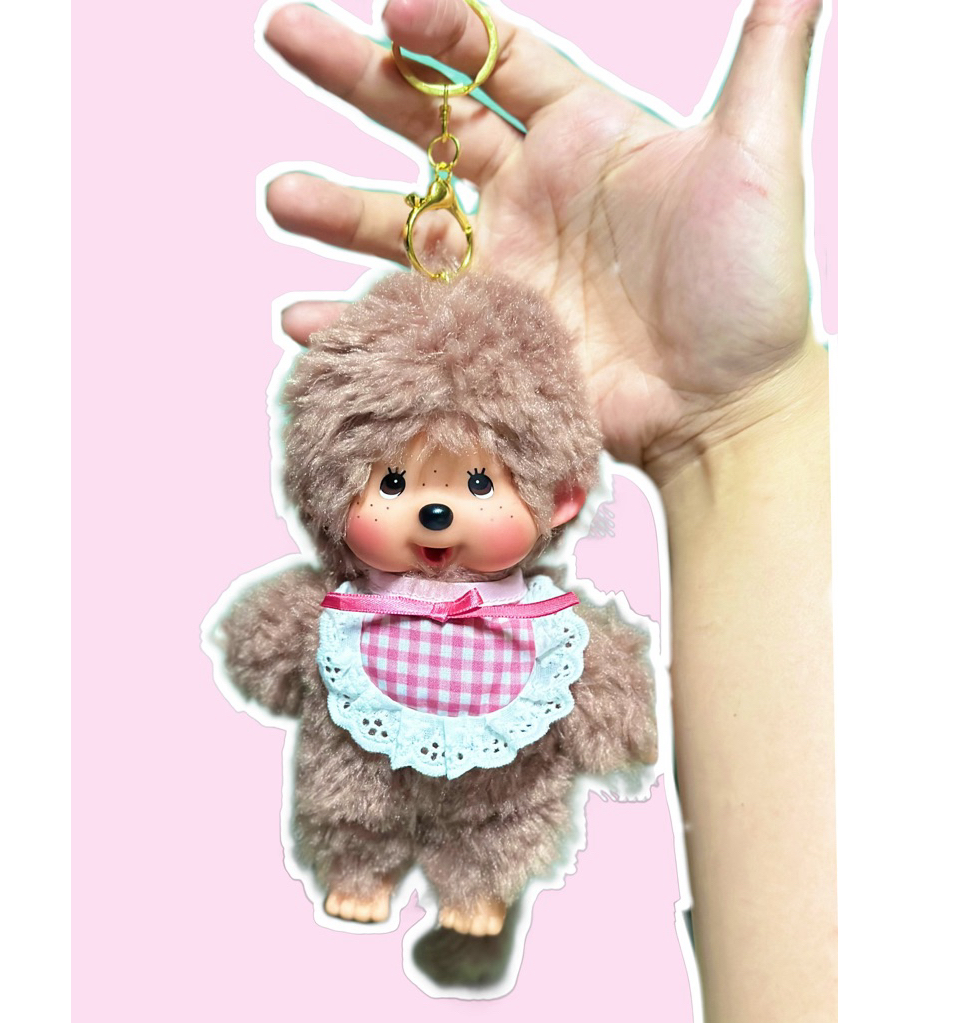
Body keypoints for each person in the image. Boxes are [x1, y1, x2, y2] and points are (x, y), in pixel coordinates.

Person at [260, 0, 835, 1019]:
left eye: (478, 485)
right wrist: (744, 424)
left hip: (504, 753)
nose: (435, 515)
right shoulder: (344, 606)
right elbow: (270, 642)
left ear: (558, 498)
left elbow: (600, 681)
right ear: (330, 490)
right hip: (365, 729)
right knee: (354, 799)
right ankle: (361, 863)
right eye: (392, 485)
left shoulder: (541, 625)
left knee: (500, 819)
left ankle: (477, 887)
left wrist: (746, 413)